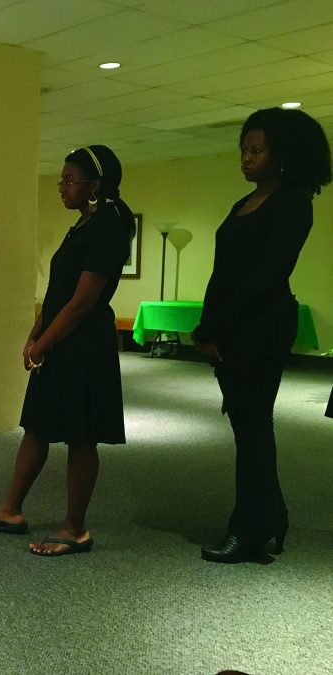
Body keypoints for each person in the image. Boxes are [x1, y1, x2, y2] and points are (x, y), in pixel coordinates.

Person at [0, 145, 135, 556]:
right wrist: (35, 332)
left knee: (81, 436)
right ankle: (10, 510)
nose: (61, 186)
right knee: (38, 426)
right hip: (60, 338)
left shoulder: (108, 226)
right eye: (61, 179)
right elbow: (58, 292)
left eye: (68, 180)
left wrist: (43, 342)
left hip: (85, 342)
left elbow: (82, 302)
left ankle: (75, 528)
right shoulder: (81, 225)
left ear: (94, 185)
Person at [192, 108, 331, 564]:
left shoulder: (293, 203)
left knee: (253, 429)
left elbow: (267, 277)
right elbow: (223, 272)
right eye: (244, 150)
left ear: (282, 154)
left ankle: (250, 529)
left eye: (256, 150)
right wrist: (207, 326)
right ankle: (273, 515)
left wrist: (216, 327)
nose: (246, 159)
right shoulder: (242, 204)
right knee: (247, 427)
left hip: (261, 327)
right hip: (230, 326)